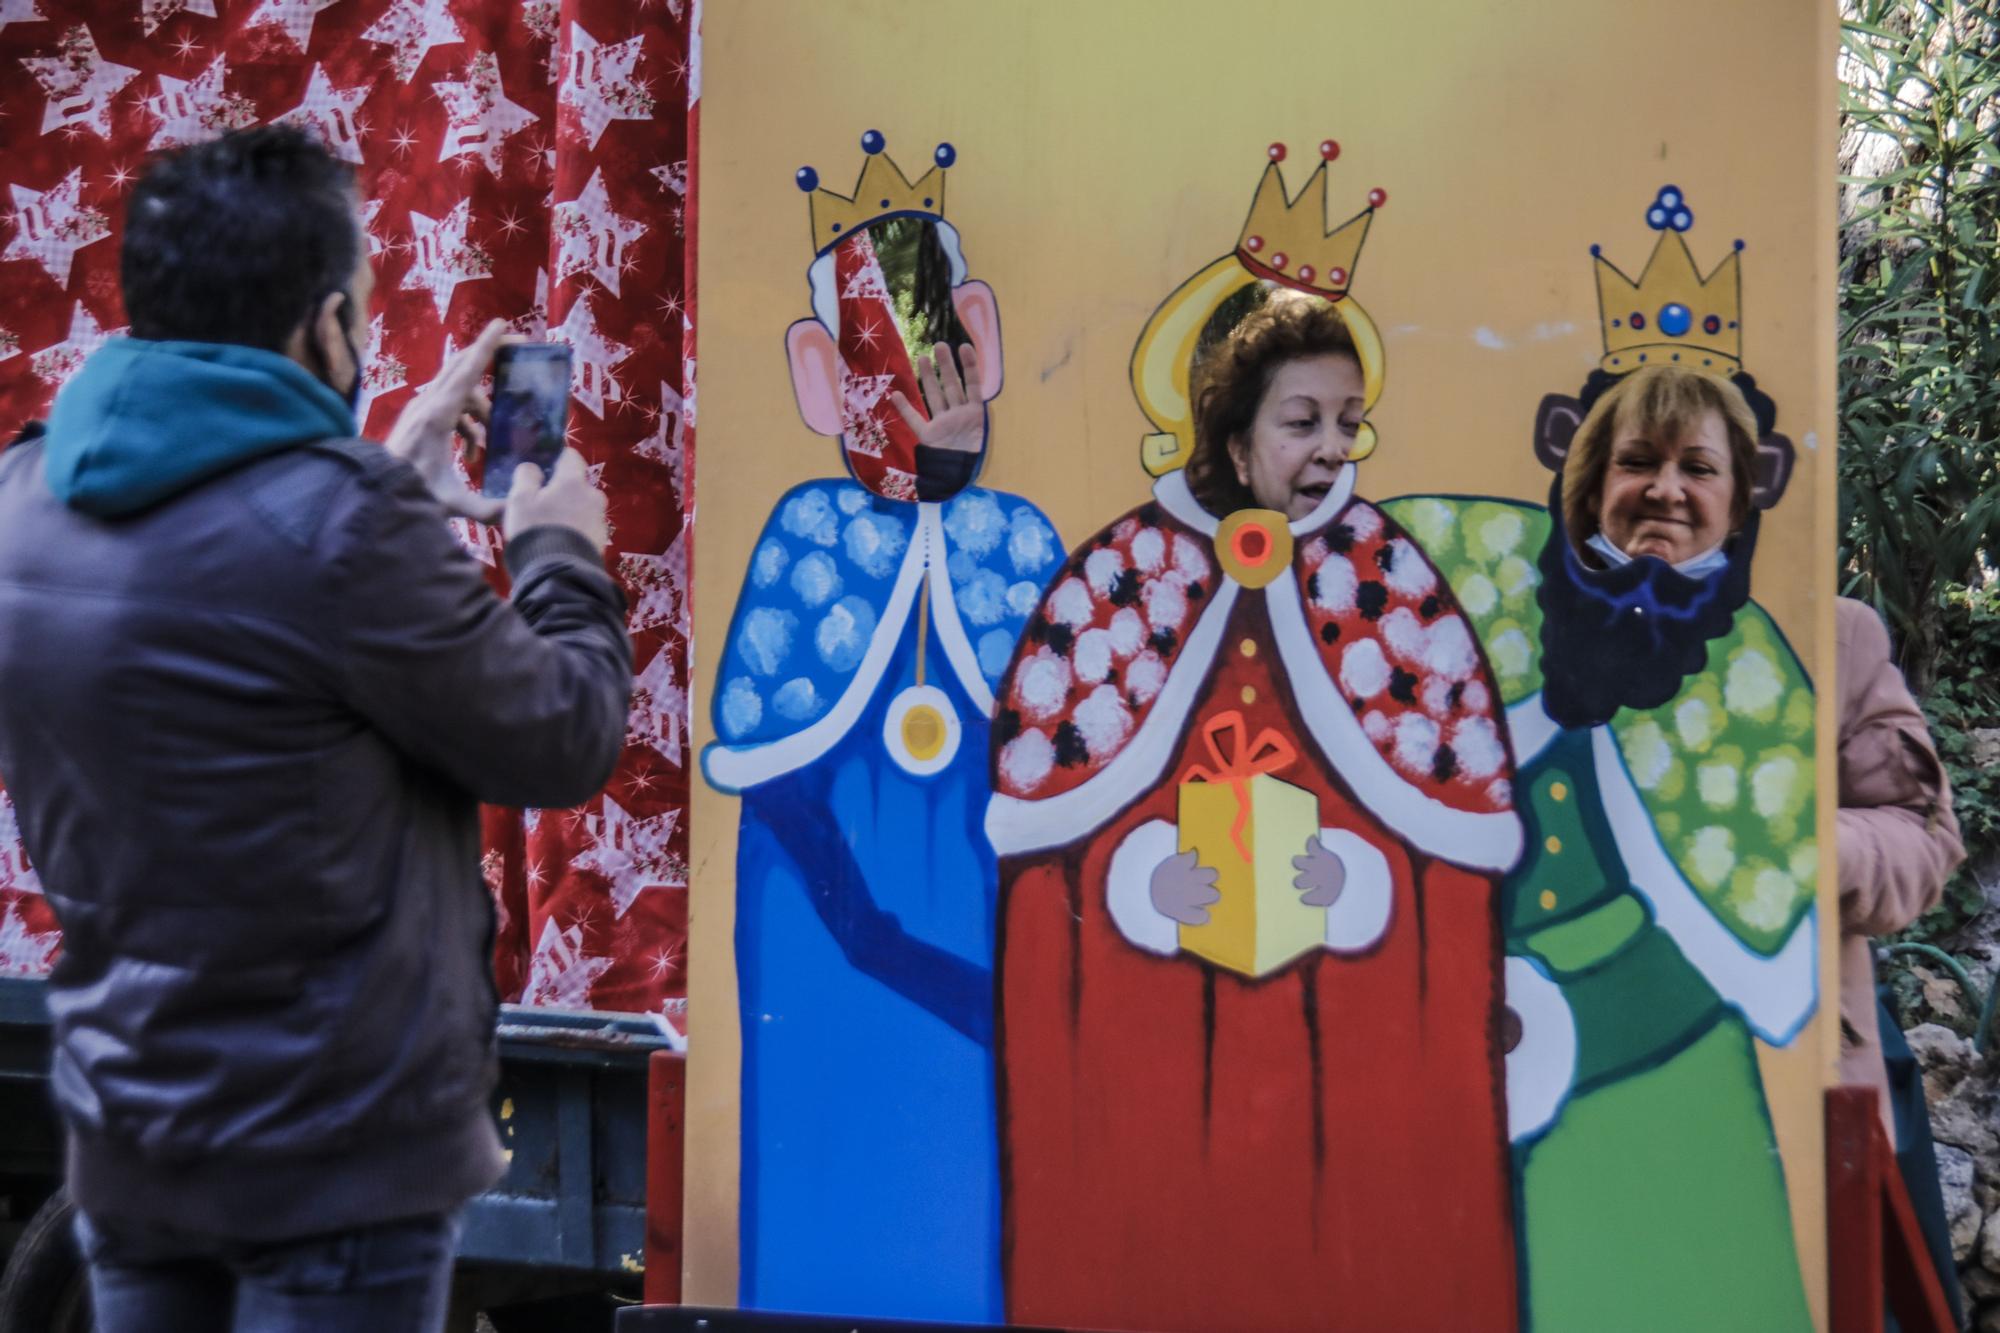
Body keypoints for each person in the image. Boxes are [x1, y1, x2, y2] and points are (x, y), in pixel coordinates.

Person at [0, 125, 631, 1332]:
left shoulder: (25, 497)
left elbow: (237, 610)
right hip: (331, 1158)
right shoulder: (344, 536)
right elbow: (563, 734)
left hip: (135, 1128)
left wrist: (378, 475)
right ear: (324, 324)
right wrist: (556, 546)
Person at [986, 231, 1526, 1327]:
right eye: (1300, 421)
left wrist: (1365, 878)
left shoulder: (1390, 583)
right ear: (1234, 445)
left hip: (1346, 1011)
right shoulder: (1119, 582)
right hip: (1160, 1017)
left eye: (1344, 420)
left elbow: (1456, 828)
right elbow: (1047, 833)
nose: (1330, 446)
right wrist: (1137, 884)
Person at [700, 135, 1061, 1321]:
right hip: (822, 906)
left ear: (981, 348)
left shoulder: (1016, 539)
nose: (914, 398)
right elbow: (768, 745)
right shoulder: (806, 528)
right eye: (882, 372)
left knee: (976, 1185)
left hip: (973, 903)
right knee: (826, 1155)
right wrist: (861, 925)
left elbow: (1056, 732)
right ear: (821, 379)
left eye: (937, 364)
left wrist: (955, 486)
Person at [1389, 358, 1820, 1325]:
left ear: (1743, 496)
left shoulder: (1761, 678)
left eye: (1698, 468)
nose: (1666, 489)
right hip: (1443, 1052)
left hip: (1662, 1065)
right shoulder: (1482, 576)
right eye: (1638, 461)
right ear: (1587, 474)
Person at [1836, 596, 1966, 1324]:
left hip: (1804, 1049)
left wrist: (1810, 842)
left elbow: (1923, 830)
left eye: (1698, 469)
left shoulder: (1835, 632)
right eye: (1637, 467)